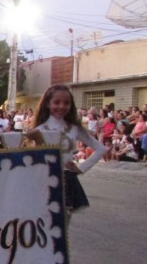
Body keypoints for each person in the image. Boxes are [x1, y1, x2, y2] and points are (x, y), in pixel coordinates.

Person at [32, 85, 106, 214]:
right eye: (56, 102)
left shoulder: (74, 128)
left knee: (64, 227)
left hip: (67, 180)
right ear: (47, 104)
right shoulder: (39, 130)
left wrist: (82, 168)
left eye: (66, 103)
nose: (61, 106)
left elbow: (100, 148)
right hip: (42, 180)